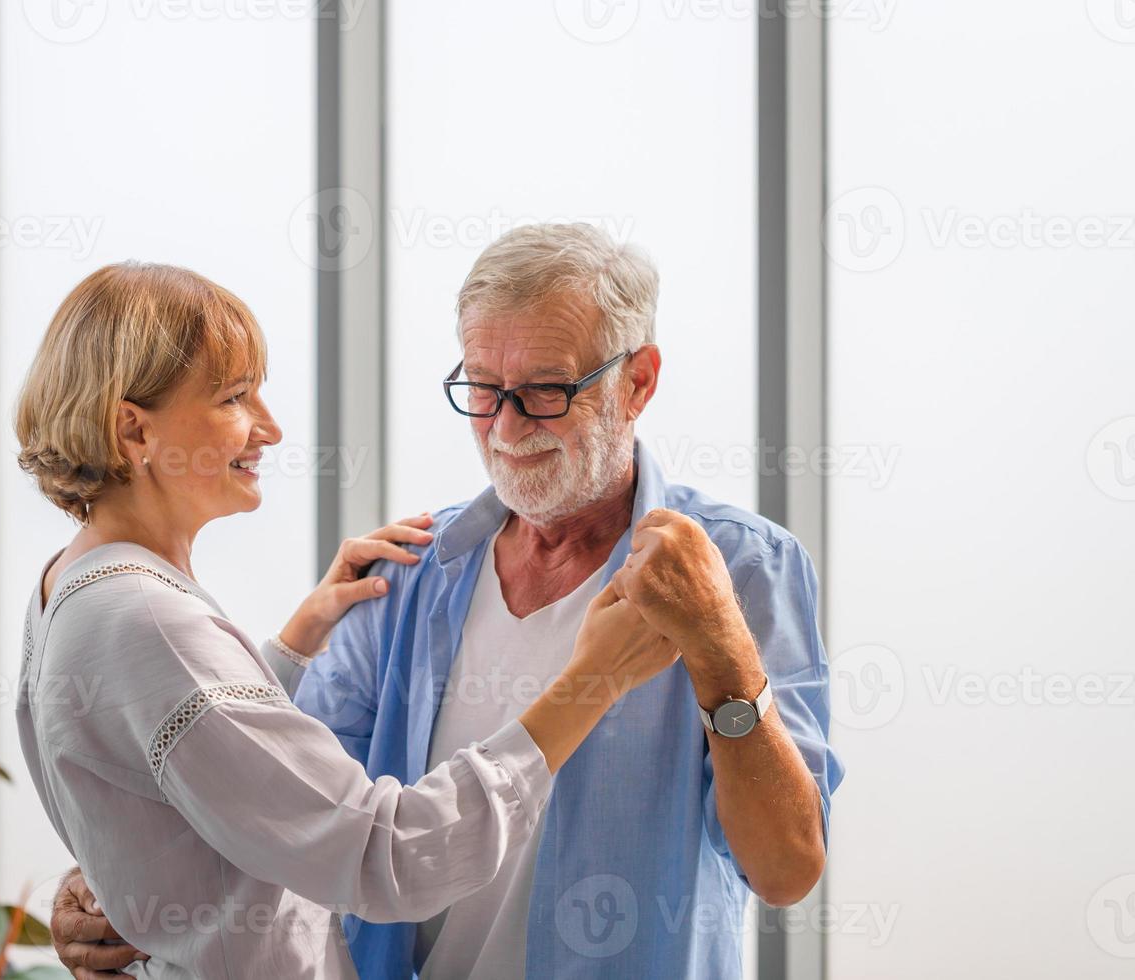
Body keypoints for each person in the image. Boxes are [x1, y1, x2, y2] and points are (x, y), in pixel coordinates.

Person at [51, 224, 844, 979]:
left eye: (543, 391)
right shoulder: (404, 575)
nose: (504, 428)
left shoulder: (740, 568)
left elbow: (784, 872)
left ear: (636, 383)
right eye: (483, 389)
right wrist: (114, 879)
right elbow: (276, 807)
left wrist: (723, 654)